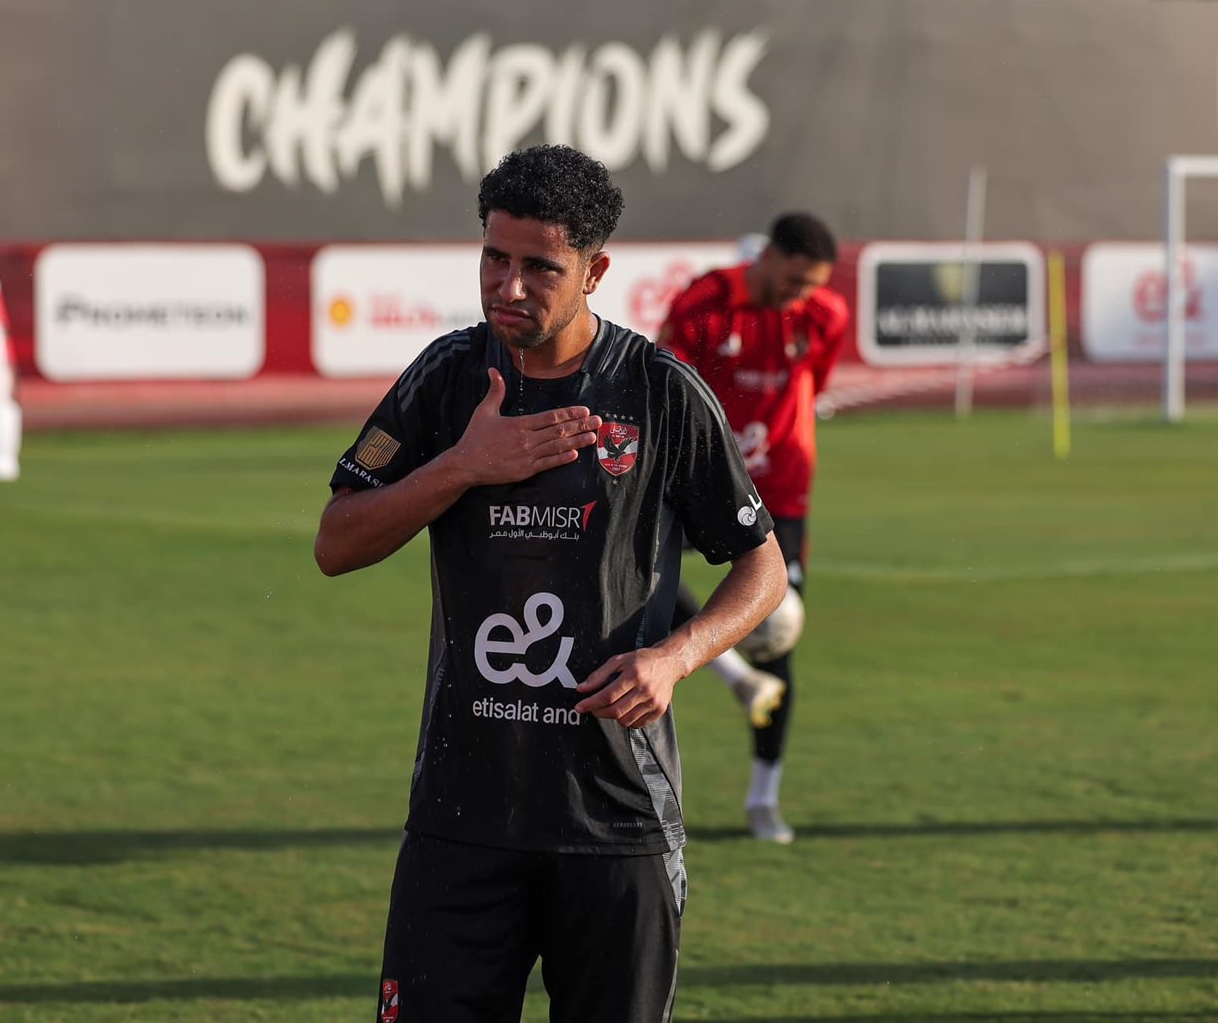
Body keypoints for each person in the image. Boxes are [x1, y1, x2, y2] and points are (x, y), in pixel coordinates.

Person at [314, 144, 787, 1023]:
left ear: (595, 272)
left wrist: (676, 657)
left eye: (541, 267)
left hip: (617, 820)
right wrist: (463, 464)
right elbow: (336, 542)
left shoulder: (660, 393)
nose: (509, 286)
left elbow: (762, 565)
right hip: (462, 818)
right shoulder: (446, 377)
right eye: (495, 257)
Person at [658, 212, 850, 845]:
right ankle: (734, 676)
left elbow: (813, 386)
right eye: (793, 280)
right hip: (700, 479)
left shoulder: (824, 316)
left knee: (780, 632)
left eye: (811, 285)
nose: (800, 295)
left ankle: (764, 798)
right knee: (636, 579)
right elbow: (668, 386)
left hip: (782, 492)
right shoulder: (706, 302)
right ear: (767, 256)